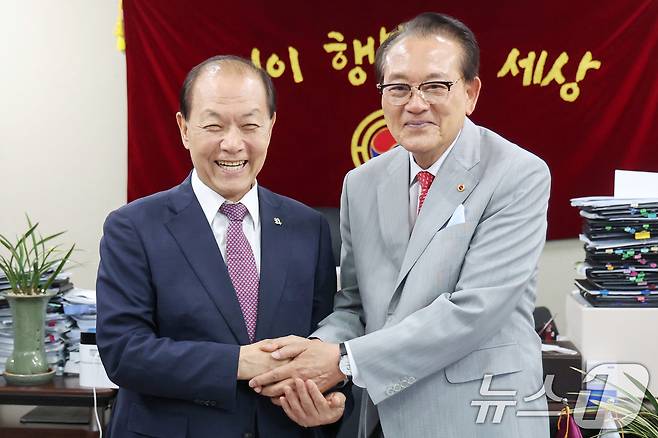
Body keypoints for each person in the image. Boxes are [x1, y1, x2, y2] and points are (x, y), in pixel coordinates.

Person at [249, 12, 551, 438]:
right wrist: (312, 353)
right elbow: (355, 304)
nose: (415, 103)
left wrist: (341, 360)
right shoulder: (362, 183)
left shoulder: (517, 173)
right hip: (383, 417)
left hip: (481, 416)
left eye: (435, 85)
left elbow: (473, 311)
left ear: (470, 92)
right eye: (398, 88)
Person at [96, 55, 345, 438]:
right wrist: (237, 362)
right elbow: (124, 351)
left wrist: (329, 399)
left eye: (250, 125)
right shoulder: (133, 227)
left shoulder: (308, 227)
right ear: (184, 128)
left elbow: (324, 337)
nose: (232, 144)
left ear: (271, 127)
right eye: (213, 125)